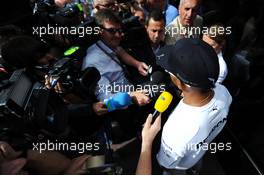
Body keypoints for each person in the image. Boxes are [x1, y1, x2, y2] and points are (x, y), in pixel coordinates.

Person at [156, 38, 232, 175]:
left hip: (179, 167)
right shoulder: (223, 92)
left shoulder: (175, 129)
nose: (168, 73)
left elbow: (166, 164)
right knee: (195, 164)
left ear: (180, 84)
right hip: (198, 153)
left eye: (170, 73)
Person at [82, 9, 150, 104]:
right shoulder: (93, 62)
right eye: (112, 31)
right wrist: (132, 97)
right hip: (125, 110)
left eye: (119, 30)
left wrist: (137, 64)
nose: (118, 35)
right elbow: (106, 102)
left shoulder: (108, 45)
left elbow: (120, 51)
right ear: (99, 31)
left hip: (135, 90)